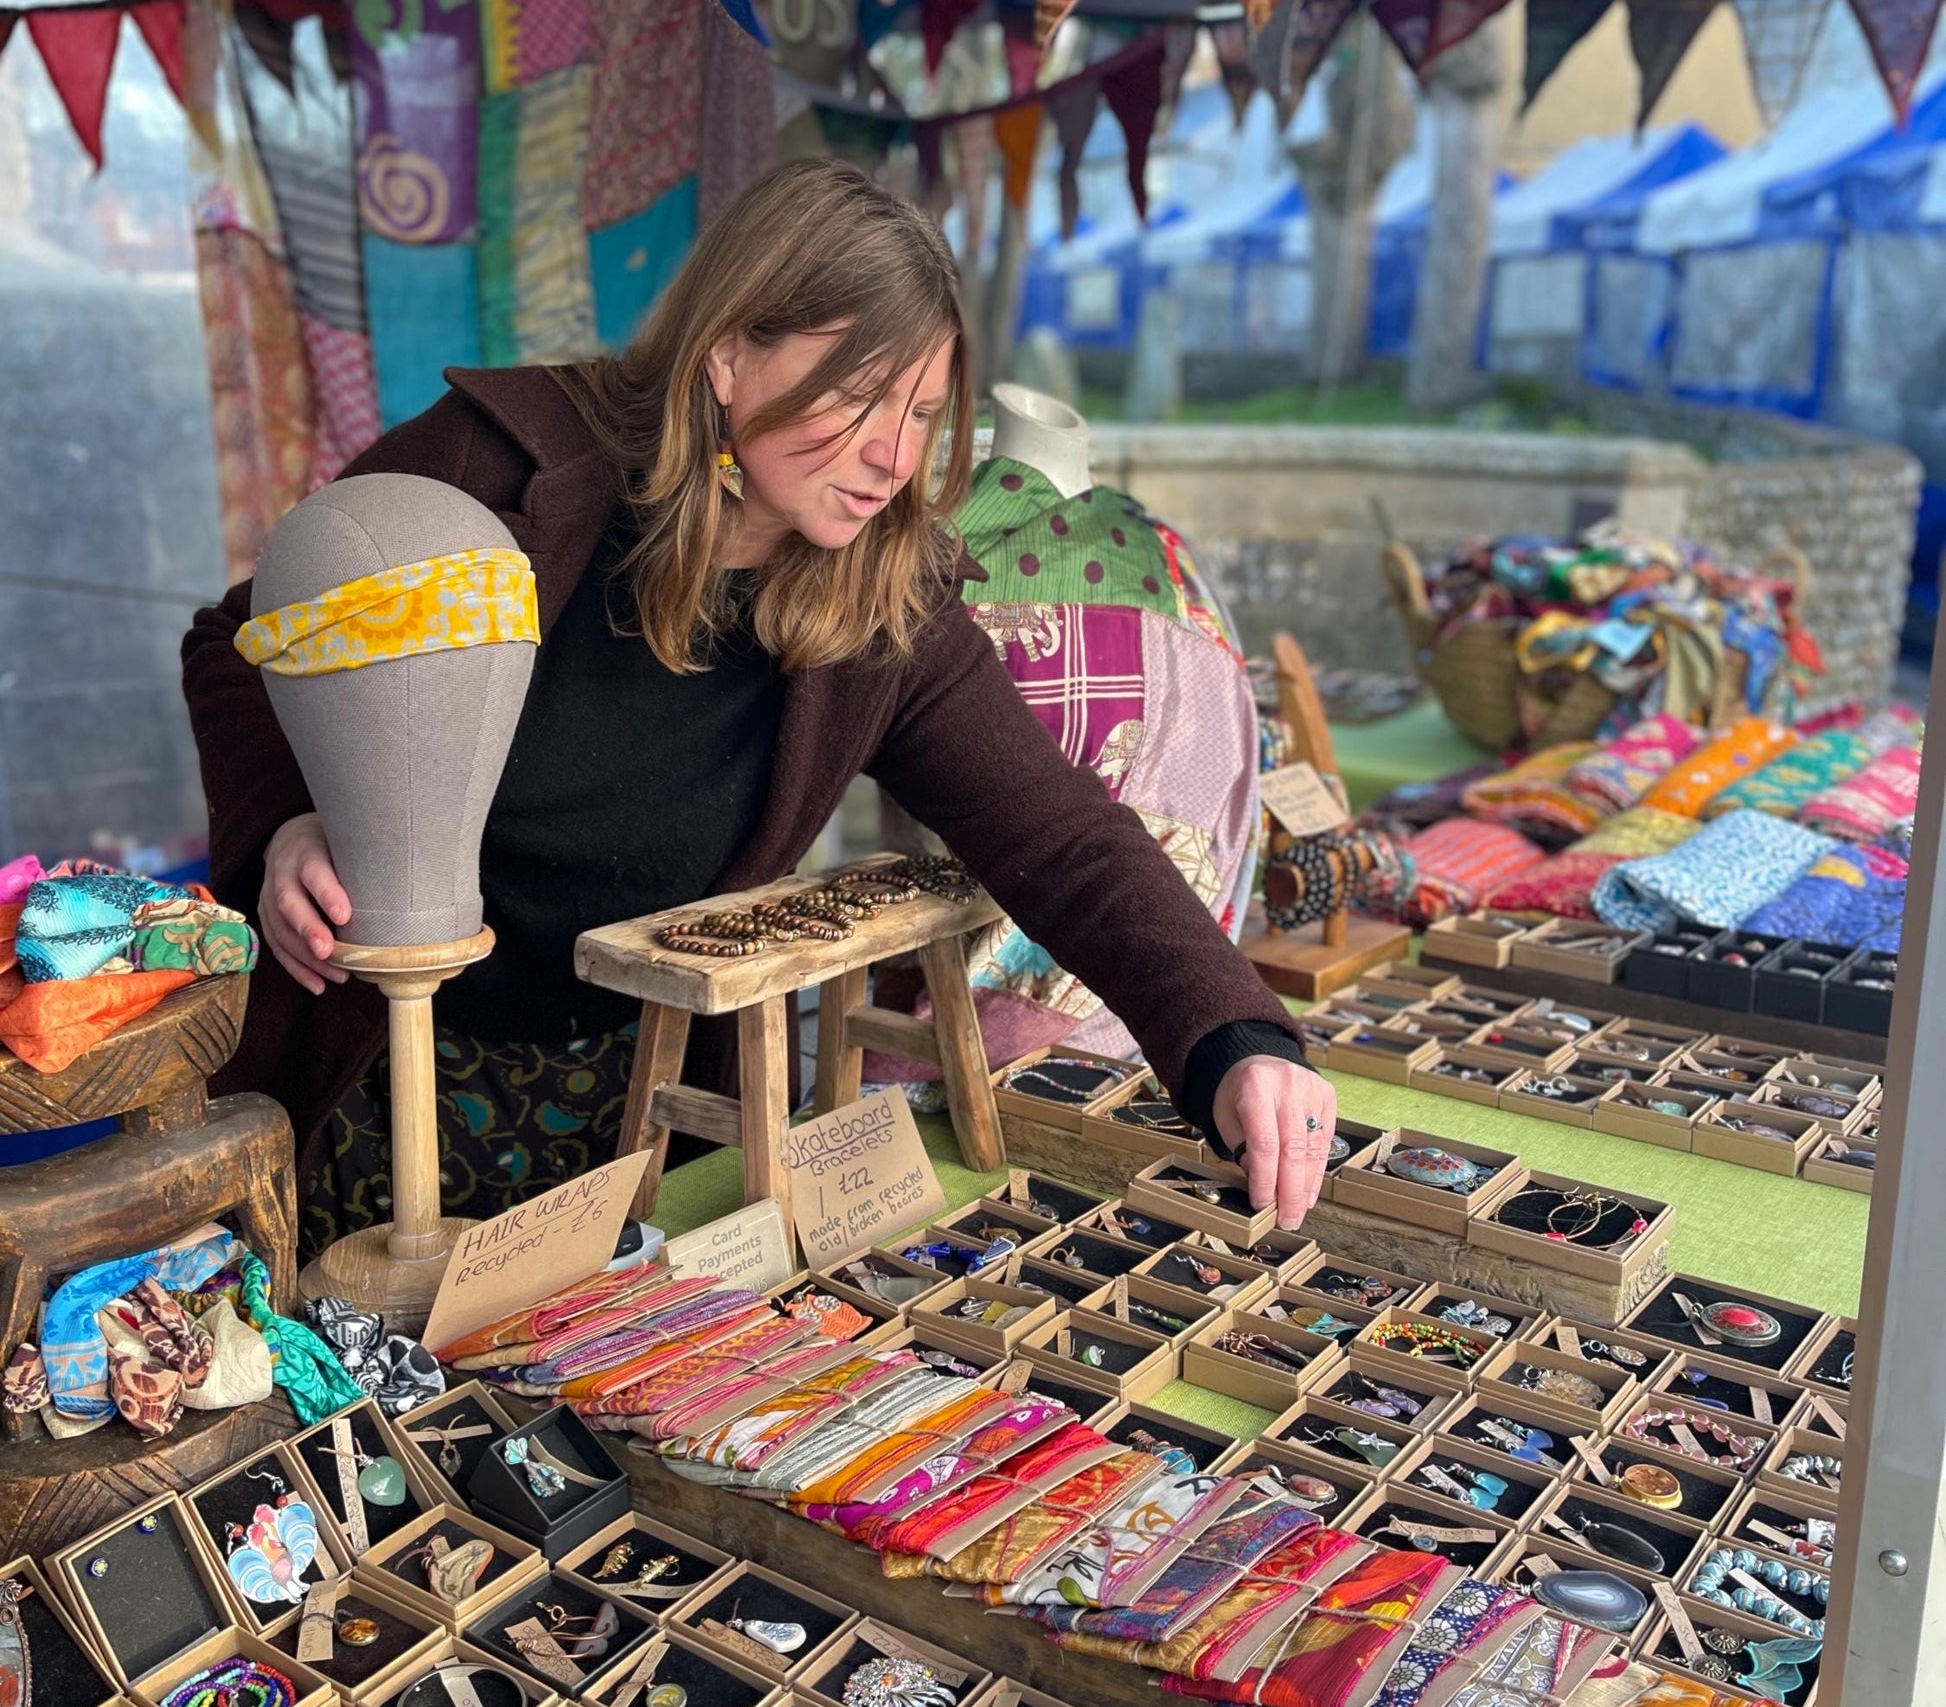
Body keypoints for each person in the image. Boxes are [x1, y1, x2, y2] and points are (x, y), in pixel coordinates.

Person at [183, 159, 1331, 1253]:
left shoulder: (883, 597)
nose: (891, 457)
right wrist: (291, 822)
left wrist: (1231, 1041)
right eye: (860, 398)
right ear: (729, 353)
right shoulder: (504, 468)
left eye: (922, 414)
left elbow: (1060, 835)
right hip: (386, 1068)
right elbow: (242, 643)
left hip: (647, 1103)